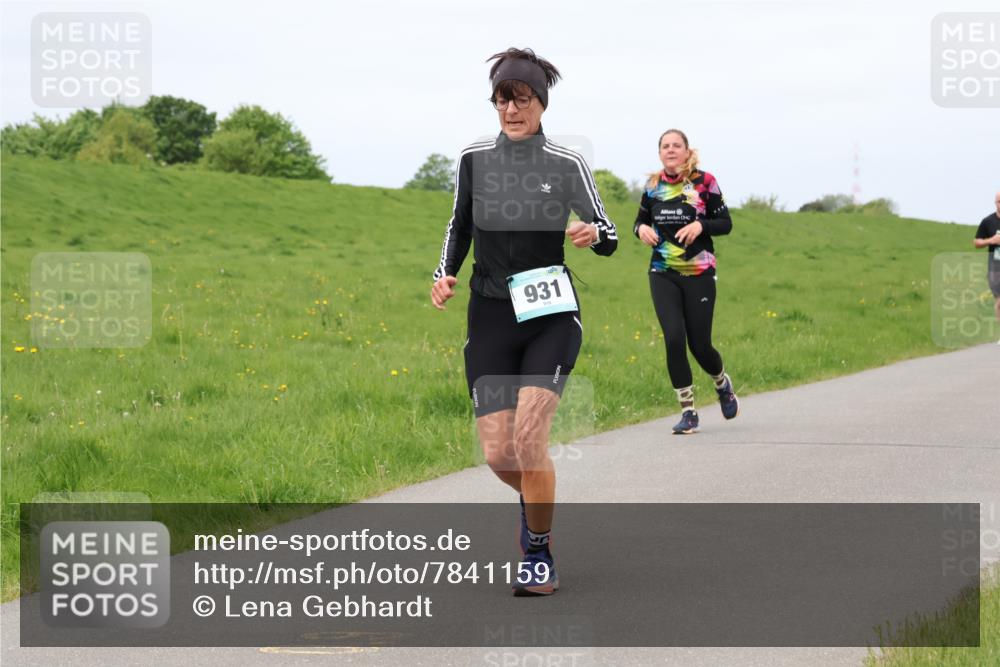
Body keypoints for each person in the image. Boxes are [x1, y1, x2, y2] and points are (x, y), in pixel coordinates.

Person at [430, 48, 617, 595]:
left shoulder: (565, 163)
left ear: (540, 103)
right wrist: (443, 274)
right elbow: (458, 226)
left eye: (522, 99)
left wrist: (591, 234)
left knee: (531, 440)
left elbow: (603, 230)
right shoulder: (472, 159)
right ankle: (535, 499)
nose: (511, 110)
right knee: (498, 454)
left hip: (549, 316)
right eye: (502, 100)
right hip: (489, 315)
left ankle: (538, 554)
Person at [634, 129, 738, 434]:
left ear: (686, 150)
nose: (670, 150)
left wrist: (700, 225)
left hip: (699, 274)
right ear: (660, 153)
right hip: (663, 272)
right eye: (665, 146)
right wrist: (640, 230)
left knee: (700, 345)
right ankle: (688, 411)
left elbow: (725, 224)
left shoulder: (705, 182)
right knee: (674, 338)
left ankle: (722, 384)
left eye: (676, 145)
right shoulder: (653, 186)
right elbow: (639, 221)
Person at [973, 191, 1000, 339]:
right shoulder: (987, 222)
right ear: (995, 203)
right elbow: (976, 242)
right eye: (999, 201)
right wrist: (991, 241)